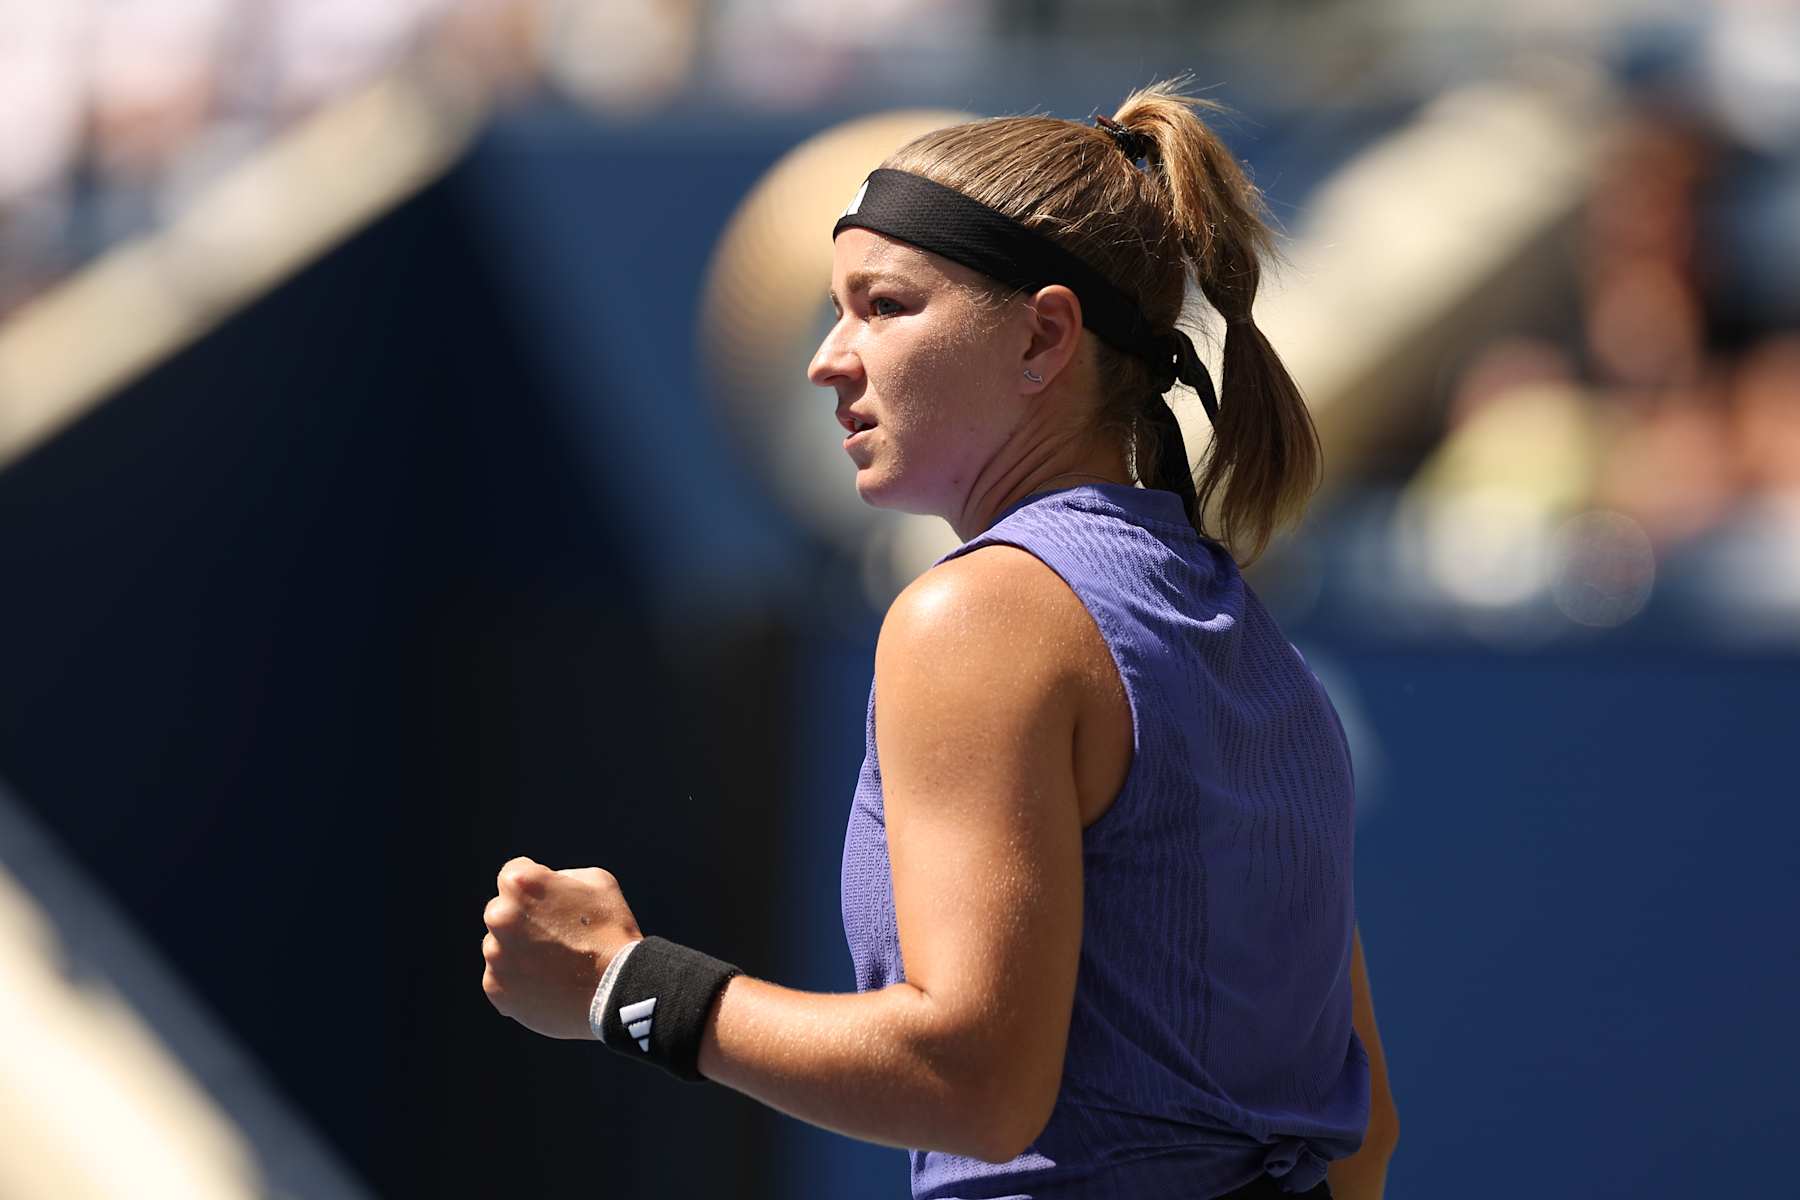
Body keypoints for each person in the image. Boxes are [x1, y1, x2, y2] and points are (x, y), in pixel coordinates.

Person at [480, 79, 1399, 1199]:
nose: (829, 356)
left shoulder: (978, 614)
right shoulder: (1259, 649)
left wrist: (623, 985)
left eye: (885, 305)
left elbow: (975, 1082)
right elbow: (1362, 1135)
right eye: (837, 307)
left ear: (1042, 336)